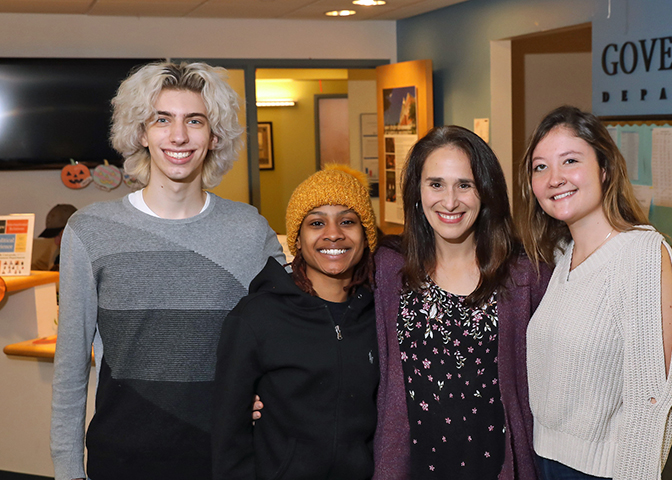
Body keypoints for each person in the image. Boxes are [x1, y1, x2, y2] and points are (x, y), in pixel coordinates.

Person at [50, 62, 285, 480]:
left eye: (195, 121)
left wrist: (268, 389)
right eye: (163, 120)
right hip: (121, 460)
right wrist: (68, 470)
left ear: (214, 137)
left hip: (224, 460)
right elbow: (69, 371)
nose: (179, 136)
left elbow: (291, 335)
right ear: (141, 133)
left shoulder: (249, 231)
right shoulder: (89, 232)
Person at [516, 106, 672, 480]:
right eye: (540, 167)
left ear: (605, 169)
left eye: (570, 161)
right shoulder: (563, 256)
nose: (554, 178)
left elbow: (654, 400)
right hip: (545, 461)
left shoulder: (641, 254)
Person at [374, 125, 550, 479]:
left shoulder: (526, 276)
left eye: (464, 185)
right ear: (417, 191)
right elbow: (327, 320)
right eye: (435, 184)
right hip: (412, 467)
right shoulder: (388, 269)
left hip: (497, 466)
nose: (450, 201)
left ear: (486, 191)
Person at [212, 165, 379, 480]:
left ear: (365, 235)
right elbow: (228, 439)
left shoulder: (378, 316)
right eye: (317, 222)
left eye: (348, 221)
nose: (333, 233)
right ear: (298, 240)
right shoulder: (255, 317)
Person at [32, 204, 76, 271]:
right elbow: (38, 266)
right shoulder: (56, 247)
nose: (56, 242)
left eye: (60, 235)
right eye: (54, 236)